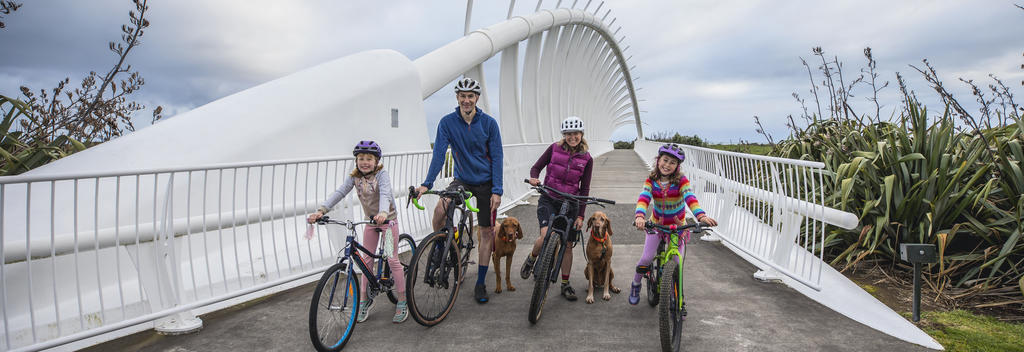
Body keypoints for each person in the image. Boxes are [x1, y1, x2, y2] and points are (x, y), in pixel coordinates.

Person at [414, 77, 503, 304]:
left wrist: (497, 190)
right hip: (462, 179)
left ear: (476, 99)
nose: (466, 100)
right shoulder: (447, 123)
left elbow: (497, 157)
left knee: (485, 233)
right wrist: (427, 183)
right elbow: (439, 155)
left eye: (470, 96)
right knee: (440, 210)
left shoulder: (489, 124)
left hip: (485, 182)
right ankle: (443, 243)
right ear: (457, 98)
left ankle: (481, 282)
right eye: (462, 96)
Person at [307, 141, 408, 323]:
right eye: (361, 158)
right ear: (356, 161)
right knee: (365, 260)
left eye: (369, 159)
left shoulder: (382, 175)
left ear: (376, 161)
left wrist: (384, 213)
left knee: (392, 259)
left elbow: (385, 193)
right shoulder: (355, 177)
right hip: (371, 222)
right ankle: (364, 301)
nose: (364, 162)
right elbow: (340, 192)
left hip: (388, 221)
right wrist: (321, 210)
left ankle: (402, 300)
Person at [629, 143, 718, 307]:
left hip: (677, 228)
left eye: (672, 162)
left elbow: (690, 197)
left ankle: (677, 298)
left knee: (676, 262)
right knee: (647, 258)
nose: (667, 165)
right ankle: (636, 284)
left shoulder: (681, 181)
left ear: (677, 166)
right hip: (656, 225)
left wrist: (701, 215)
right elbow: (644, 198)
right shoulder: (651, 180)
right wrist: (640, 216)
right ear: (658, 160)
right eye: (665, 160)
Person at [519, 116, 593, 302]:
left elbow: (584, 189)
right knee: (545, 236)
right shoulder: (554, 148)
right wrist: (534, 178)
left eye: (575, 133)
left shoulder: (587, 158)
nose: (572, 137)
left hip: (571, 204)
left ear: (581, 134)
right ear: (564, 135)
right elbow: (536, 168)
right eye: (568, 134)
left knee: (568, 245)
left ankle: (565, 284)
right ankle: (532, 258)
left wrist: (581, 216)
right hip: (549, 198)